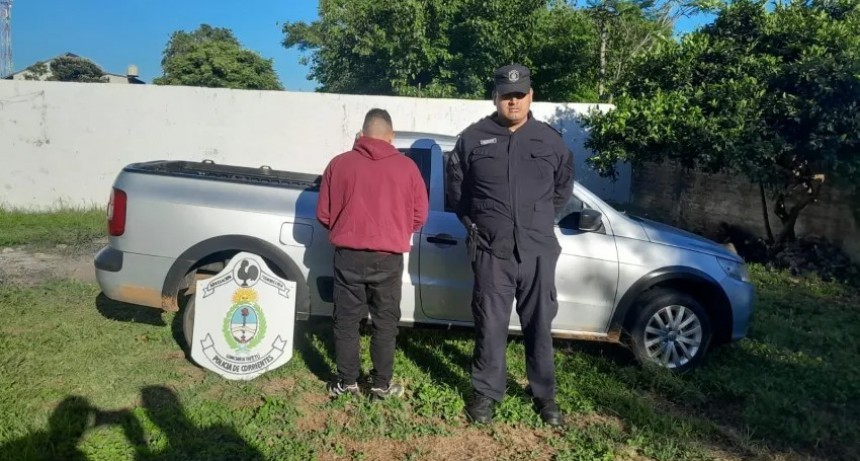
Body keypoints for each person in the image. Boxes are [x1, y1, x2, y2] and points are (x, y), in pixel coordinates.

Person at [445, 64, 574, 426]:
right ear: (495, 97)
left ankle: (544, 395)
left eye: (519, 95)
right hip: (491, 250)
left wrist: (535, 217)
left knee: (540, 324)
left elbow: (562, 189)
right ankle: (486, 393)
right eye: (506, 96)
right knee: (490, 325)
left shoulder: (550, 140)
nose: (513, 101)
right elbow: (458, 195)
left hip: (537, 250)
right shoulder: (472, 139)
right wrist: (481, 225)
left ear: (531, 96)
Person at [316, 108, 429, 400]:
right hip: (388, 257)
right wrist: (394, 230)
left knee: (346, 320)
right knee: (385, 322)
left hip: (348, 256)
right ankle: (380, 385)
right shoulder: (408, 168)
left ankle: (347, 383)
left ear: (362, 134)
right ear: (391, 136)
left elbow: (324, 214)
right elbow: (420, 215)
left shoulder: (339, 164)